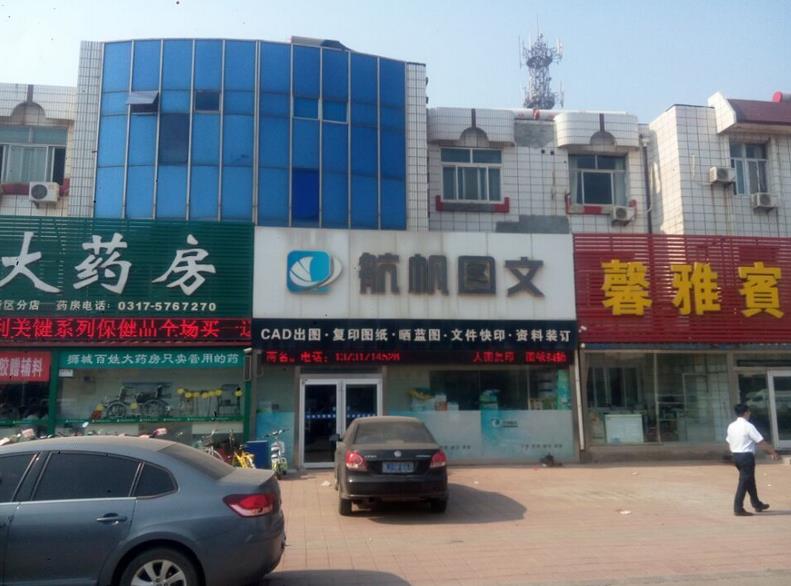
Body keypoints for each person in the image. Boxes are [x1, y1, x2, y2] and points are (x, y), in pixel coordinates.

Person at [726, 403, 780, 516]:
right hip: (746, 457)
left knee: (749, 480)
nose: (750, 413)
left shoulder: (731, 426)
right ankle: (738, 508)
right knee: (744, 482)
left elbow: (729, 441)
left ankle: (757, 504)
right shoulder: (748, 426)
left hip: (736, 455)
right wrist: (772, 452)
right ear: (746, 413)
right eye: (749, 411)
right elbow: (760, 442)